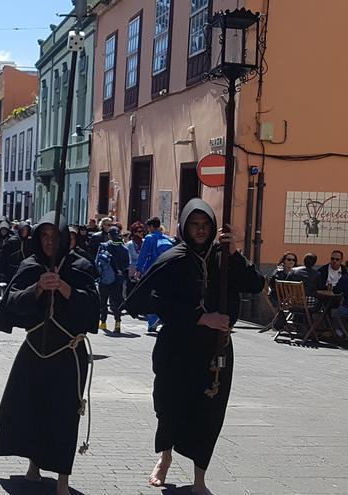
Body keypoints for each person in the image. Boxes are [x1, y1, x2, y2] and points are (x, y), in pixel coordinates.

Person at [123, 198, 264, 495]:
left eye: (205, 226)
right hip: (177, 348)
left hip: (215, 351)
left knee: (209, 412)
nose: (200, 231)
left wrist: (235, 252)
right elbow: (152, 301)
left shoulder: (224, 258)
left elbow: (255, 284)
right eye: (194, 225)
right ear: (185, 227)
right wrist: (201, 318)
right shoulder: (175, 258)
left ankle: (200, 477)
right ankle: (165, 458)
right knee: (169, 406)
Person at [0, 211, 99, 495]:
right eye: (44, 236)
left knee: (64, 416)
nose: (50, 242)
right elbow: (12, 302)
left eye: (55, 236)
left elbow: (92, 310)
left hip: (68, 353)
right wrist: (37, 288)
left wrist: (65, 289)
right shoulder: (31, 264)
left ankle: (63, 479)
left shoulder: (81, 266)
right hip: (35, 350)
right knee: (28, 409)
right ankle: (34, 465)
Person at [135, 217, 174, 332]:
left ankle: (153, 320)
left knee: (150, 295)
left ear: (151, 226)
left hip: (151, 269)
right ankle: (160, 316)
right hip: (166, 270)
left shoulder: (149, 238)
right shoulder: (167, 238)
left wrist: (138, 268)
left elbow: (144, 254)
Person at [96, 226, 129, 332]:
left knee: (103, 301)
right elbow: (126, 265)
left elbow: (97, 262)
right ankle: (117, 323)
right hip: (118, 279)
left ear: (109, 235)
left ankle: (103, 323)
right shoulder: (124, 249)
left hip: (105, 278)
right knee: (116, 301)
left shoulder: (104, 246)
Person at [126, 221, 145, 297]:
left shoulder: (145, 242)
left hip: (143, 271)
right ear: (134, 232)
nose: (142, 233)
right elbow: (129, 258)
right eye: (139, 231)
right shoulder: (130, 244)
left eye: (143, 231)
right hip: (133, 271)